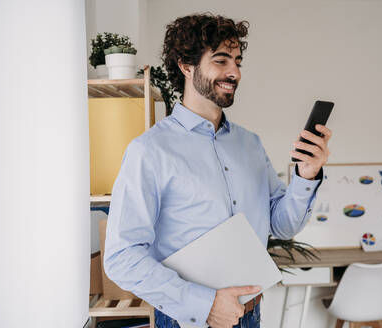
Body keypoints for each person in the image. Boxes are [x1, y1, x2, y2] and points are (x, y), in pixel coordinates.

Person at [104, 13, 332, 328]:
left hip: (250, 313)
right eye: (222, 61)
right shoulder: (149, 151)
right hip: (189, 319)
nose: (234, 72)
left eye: (238, 62)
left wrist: (306, 176)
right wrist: (206, 304)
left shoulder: (250, 144)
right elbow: (122, 257)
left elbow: (282, 225)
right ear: (186, 65)